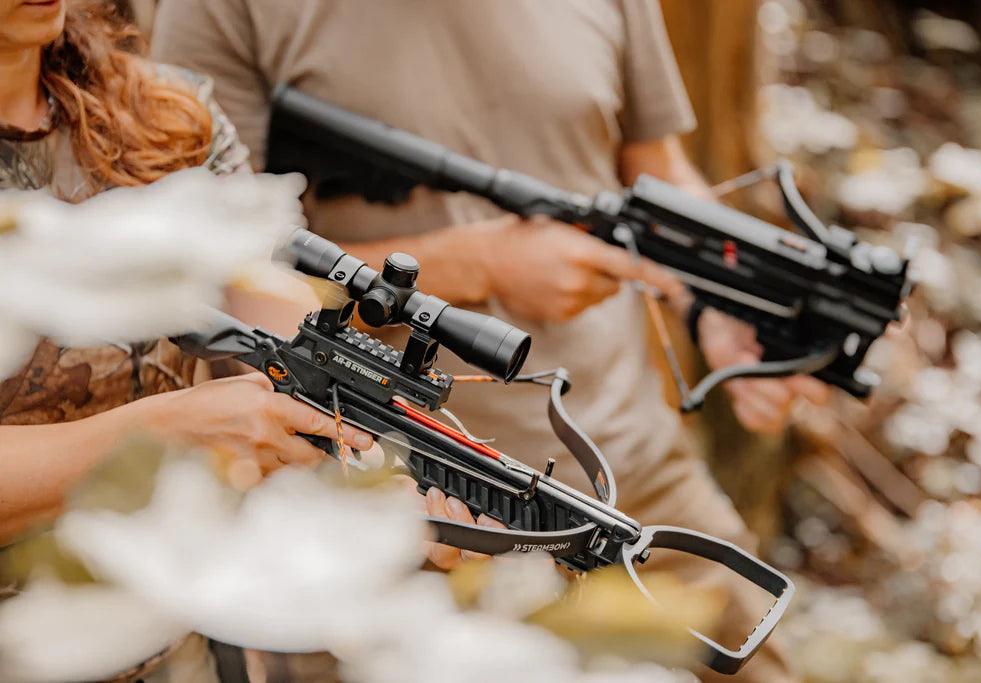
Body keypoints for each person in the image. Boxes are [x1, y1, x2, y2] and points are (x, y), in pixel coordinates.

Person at [152, 2, 829, 681]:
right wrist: (480, 265)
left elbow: (657, 168)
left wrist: (719, 303)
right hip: (382, 520)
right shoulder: (222, 9)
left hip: (629, 480)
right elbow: (213, 273)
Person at [0, 1, 484, 679]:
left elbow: (289, 344)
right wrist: (171, 432)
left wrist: (388, 481)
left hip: (178, 650)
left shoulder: (167, 118)